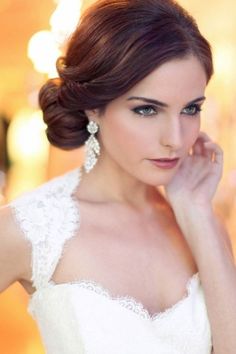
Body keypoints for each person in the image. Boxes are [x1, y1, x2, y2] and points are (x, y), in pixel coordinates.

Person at [0, 0, 236, 353]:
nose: (175, 137)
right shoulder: (30, 228)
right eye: (147, 109)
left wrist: (197, 212)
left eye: (190, 109)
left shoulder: (203, 221)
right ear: (94, 106)